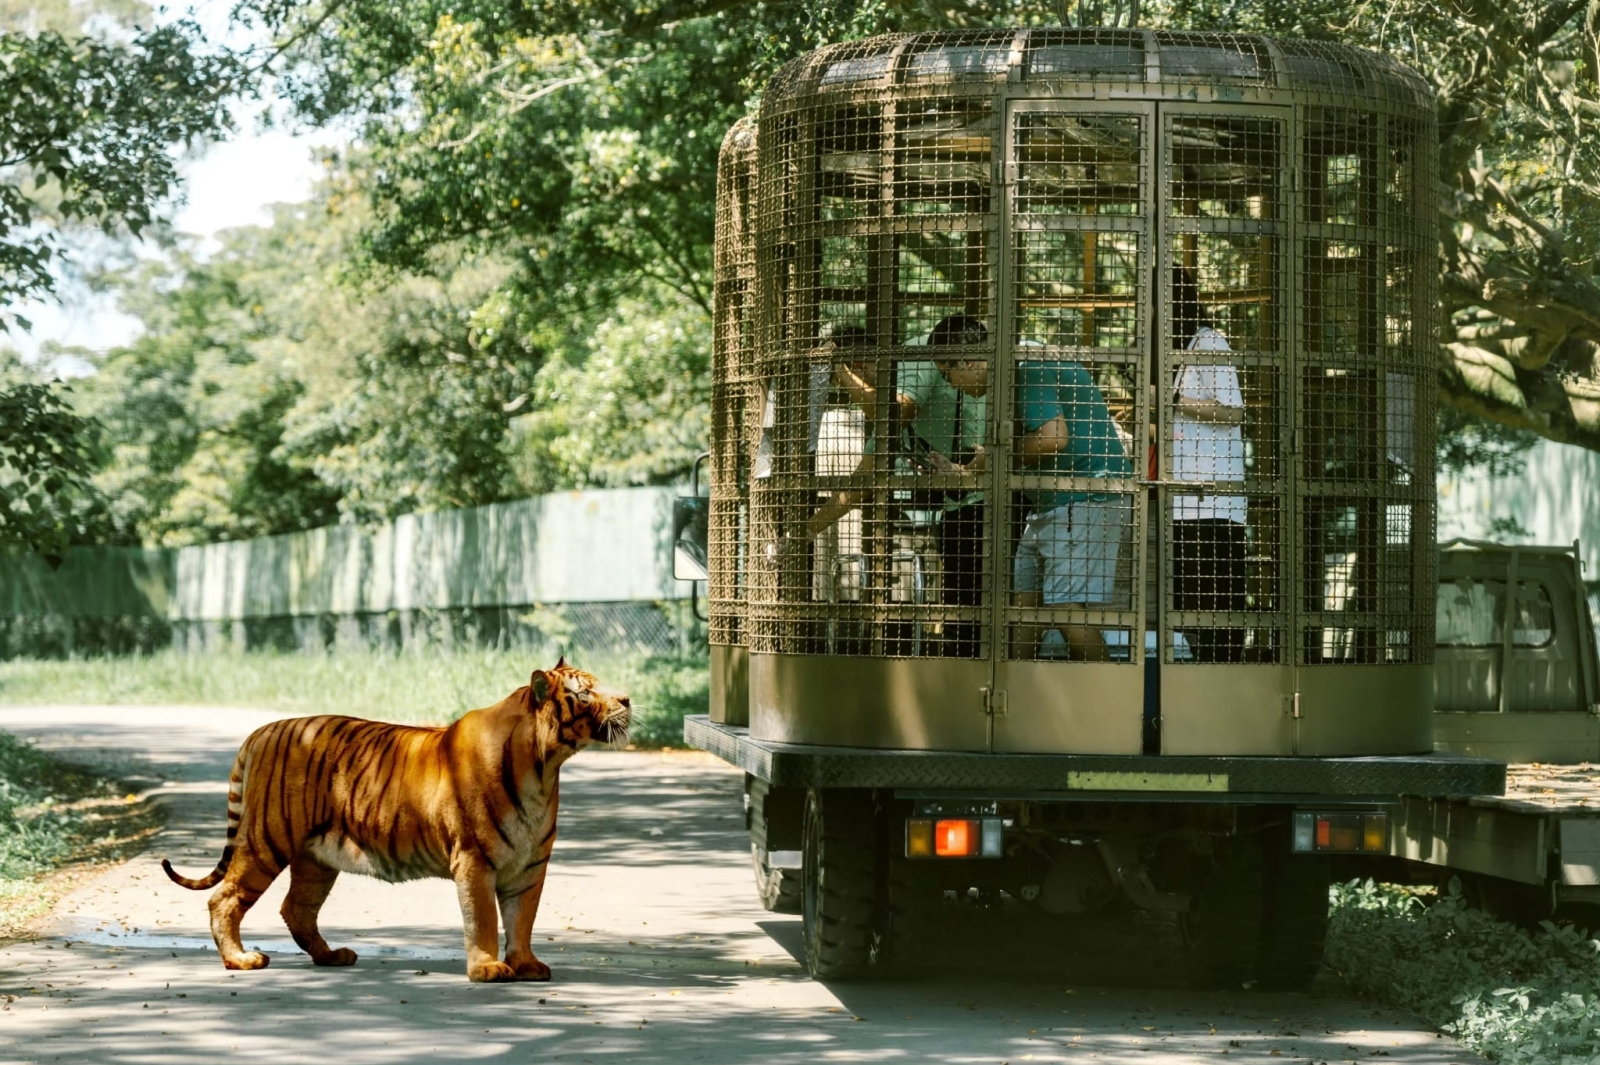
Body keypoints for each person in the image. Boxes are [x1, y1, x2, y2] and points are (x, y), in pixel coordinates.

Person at [1011, 357, 1134, 660]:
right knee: (1026, 605)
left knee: (1063, 607)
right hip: (1051, 502)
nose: (950, 383)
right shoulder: (1028, 372)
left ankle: (1107, 698)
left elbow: (1053, 437)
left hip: (1085, 494)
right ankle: (1011, 691)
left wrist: (999, 455)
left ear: (968, 362)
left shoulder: (1030, 371)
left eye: (948, 373)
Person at [1168, 267, 1247, 662]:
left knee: (1215, 605)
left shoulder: (1209, 341)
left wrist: (1172, 403)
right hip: (1184, 503)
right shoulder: (1182, 353)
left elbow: (1233, 412)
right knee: (1188, 609)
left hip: (1213, 505)